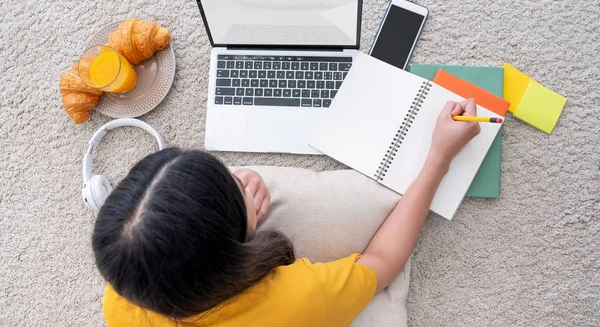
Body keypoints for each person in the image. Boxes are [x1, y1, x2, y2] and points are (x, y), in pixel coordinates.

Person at [93, 99, 481, 326]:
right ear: (236, 252)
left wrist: (232, 203)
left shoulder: (120, 300)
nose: (241, 180)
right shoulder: (297, 299)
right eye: (234, 186)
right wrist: (439, 159)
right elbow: (383, 262)